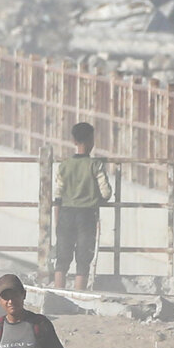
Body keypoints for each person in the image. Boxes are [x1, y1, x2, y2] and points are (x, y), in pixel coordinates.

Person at [50, 120, 111, 289]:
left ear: (74, 141)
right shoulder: (95, 165)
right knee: (83, 259)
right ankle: (79, 295)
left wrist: (58, 221)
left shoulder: (64, 166)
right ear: (91, 141)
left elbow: (58, 196)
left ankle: (58, 293)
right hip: (87, 215)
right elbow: (106, 193)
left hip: (66, 214)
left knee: (62, 258)